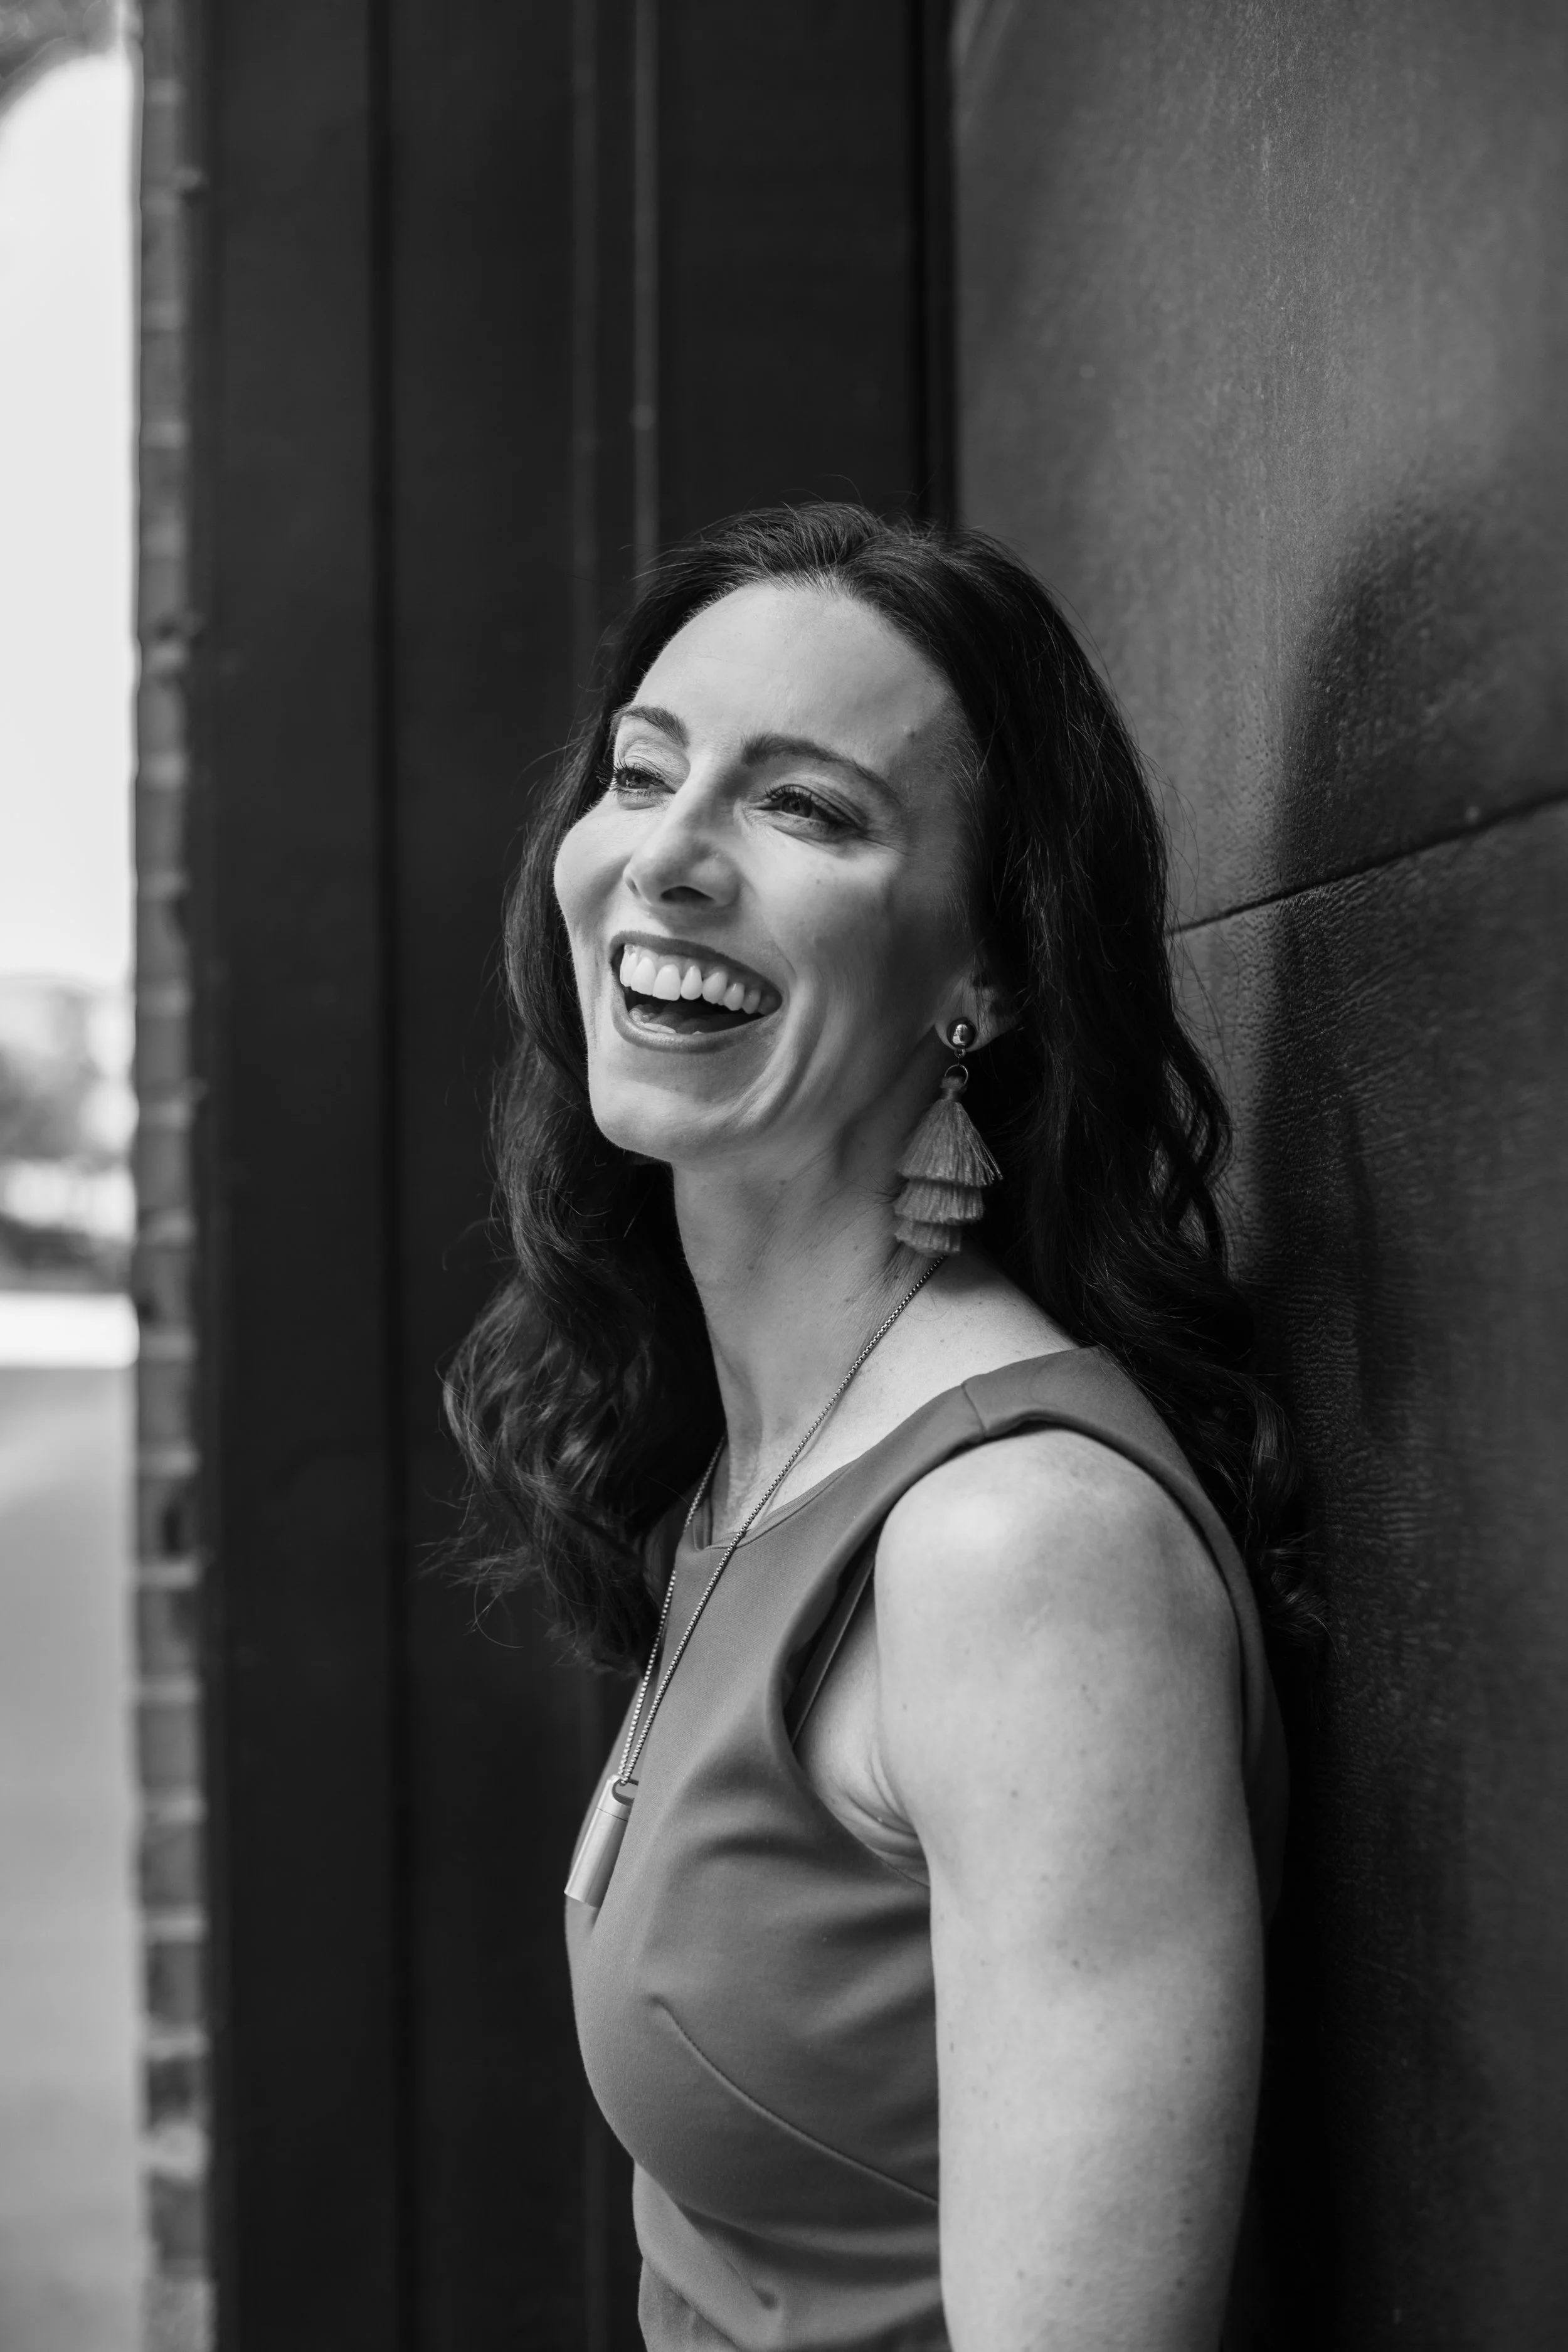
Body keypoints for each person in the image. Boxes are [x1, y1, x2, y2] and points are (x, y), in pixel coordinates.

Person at [446, 504, 1298, 2350]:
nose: (663, 858)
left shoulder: (1016, 1549)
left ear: (984, 970)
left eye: (804, 807)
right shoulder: (761, 1451)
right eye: (640, 772)